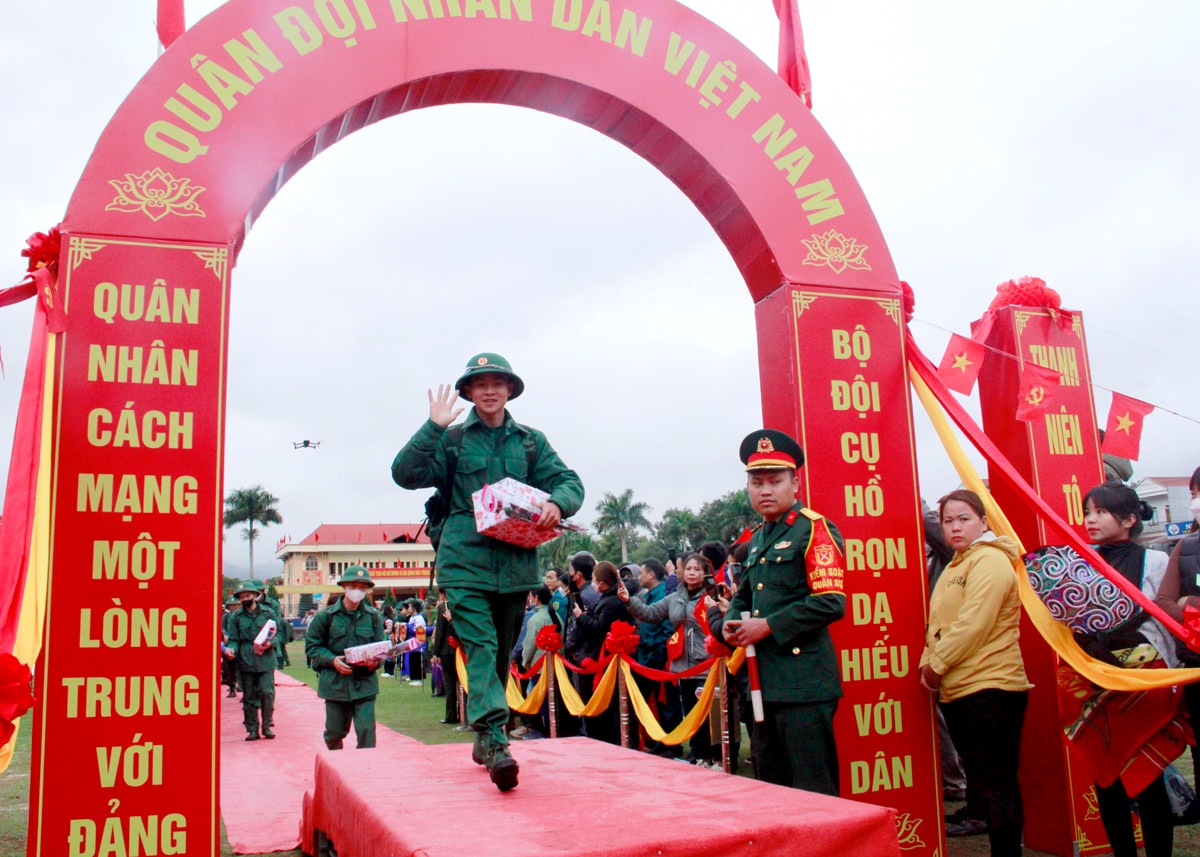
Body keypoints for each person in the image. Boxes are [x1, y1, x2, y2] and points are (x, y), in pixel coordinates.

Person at [391, 352, 584, 791]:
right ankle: (497, 741)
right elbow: (405, 473)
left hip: (515, 566)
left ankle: (483, 736)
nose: (491, 390)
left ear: (510, 390)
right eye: (481, 384)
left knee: (498, 656)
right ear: (468, 393)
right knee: (479, 646)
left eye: (499, 382)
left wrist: (557, 503)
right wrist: (433, 427)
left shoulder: (530, 442)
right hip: (463, 562)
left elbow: (570, 481)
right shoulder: (453, 440)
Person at [719, 429, 847, 794]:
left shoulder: (815, 529)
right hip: (764, 682)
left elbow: (831, 601)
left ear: (795, 482)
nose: (765, 490)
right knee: (772, 788)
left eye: (775, 481)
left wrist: (768, 626)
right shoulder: (758, 537)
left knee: (813, 788)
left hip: (804, 684)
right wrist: (731, 623)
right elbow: (744, 597)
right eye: (756, 482)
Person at [920, 489, 1030, 857]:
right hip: (959, 689)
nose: (954, 527)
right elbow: (939, 624)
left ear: (984, 522)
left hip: (993, 687)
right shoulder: (956, 564)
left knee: (997, 784)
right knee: (983, 782)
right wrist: (927, 661)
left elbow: (973, 625)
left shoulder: (992, 561)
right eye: (948, 520)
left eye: (964, 519)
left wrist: (935, 667)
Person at [1078, 482, 1176, 857]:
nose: (1090, 520)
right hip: (1096, 683)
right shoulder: (1082, 559)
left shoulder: (1155, 562)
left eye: (1100, 512)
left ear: (1130, 518)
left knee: (1148, 780)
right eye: (1088, 512)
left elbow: (1164, 622)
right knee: (1107, 780)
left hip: (1144, 683)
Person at [621, 552, 719, 765]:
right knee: (689, 710)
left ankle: (713, 755)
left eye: (697, 569)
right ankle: (696, 753)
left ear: (705, 574)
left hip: (707, 662)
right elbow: (649, 613)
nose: (692, 573)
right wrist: (629, 601)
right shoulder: (675, 598)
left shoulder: (713, 596)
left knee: (708, 713)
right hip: (682, 665)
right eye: (689, 569)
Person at [305, 566, 387, 750]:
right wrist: (332, 660)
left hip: (364, 684)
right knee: (334, 734)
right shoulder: (325, 617)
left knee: (367, 733)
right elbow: (312, 647)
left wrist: (374, 663)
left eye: (362, 587)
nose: (358, 590)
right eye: (353, 586)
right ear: (344, 586)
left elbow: (381, 648)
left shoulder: (373, 617)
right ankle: (338, 767)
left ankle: (364, 772)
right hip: (335, 685)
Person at [1154, 464, 1200, 787]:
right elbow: (1165, 604)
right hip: (1195, 670)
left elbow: (1181, 603)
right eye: (1196, 494)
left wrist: (1191, 604)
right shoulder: (1186, 548)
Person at [572, 561, 633, 744]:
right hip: (602, 656)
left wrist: (580, 617)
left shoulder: (612, 602)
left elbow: (600, 628)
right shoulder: (607, 599)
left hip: (605, 657)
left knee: (609, 705)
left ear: (602, 581)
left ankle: (607, 740)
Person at [225, 581, 278, 741]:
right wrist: (231, 649)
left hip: (265, 658)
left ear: (255, 596)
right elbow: (234, 639)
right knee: (248, 695)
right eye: (241, 597)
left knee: (266, 693)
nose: (244, 598)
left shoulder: (268, 613)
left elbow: (279, 634)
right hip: (246, 658)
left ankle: (267, 725)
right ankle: (252, 729)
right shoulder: (236, 617)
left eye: (247, 595)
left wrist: (270, 644)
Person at [430, 591, 461, 725]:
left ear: (442, 594)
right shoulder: (460, 605)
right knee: (462, 682)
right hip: (460, 649)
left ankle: (451, 715)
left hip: (447, 650)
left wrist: (435, 652)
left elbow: (440, 632)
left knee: (449, 684)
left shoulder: (443, 607)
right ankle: (464, 713)